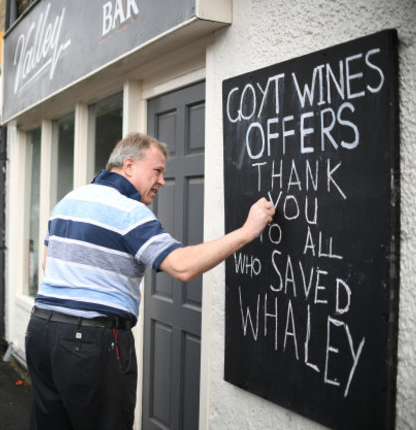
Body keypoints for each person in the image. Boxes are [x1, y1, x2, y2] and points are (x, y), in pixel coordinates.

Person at [25, 132, 275, 430]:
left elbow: (47, 262)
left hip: (41, 332)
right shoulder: (129, 212)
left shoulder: (68, 201)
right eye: (157, 171)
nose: (162, 181)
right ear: (128, 166)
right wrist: (247, 231)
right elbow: (182, 267)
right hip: (90, 344)